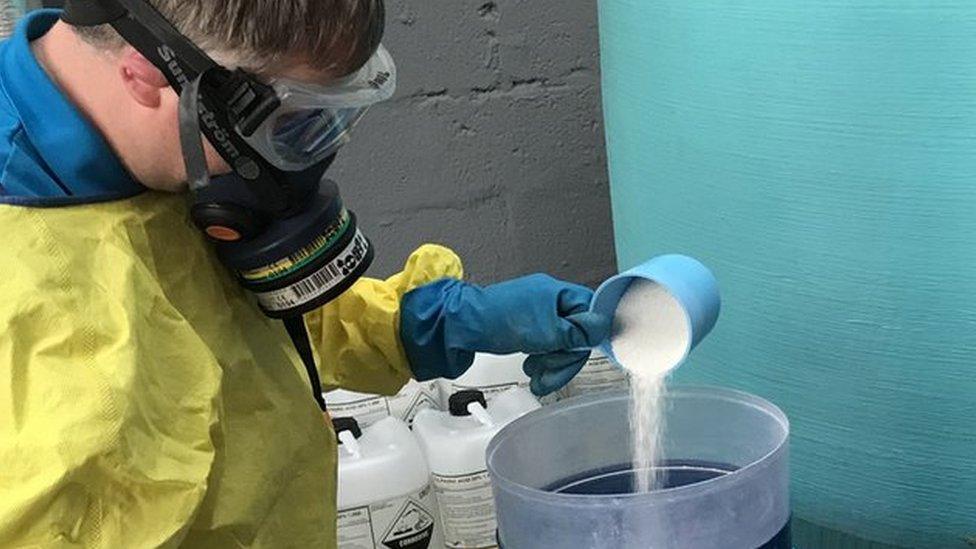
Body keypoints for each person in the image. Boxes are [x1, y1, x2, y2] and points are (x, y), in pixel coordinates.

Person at [0, 1, 611, 547]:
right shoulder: (31, 291)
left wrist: (436, 323)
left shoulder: (141, 151)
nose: (311, 154)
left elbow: (234, 330)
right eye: (292, 123)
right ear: (144, 74)